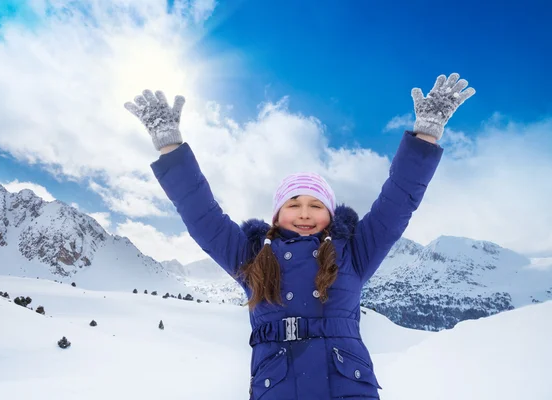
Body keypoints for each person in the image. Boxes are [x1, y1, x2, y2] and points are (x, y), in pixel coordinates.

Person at [125, 73, 475, 399]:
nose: (305, 213)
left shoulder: (354, 253)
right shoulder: (251, 258)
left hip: (347, 387)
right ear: (277, 215)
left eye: (316, 205)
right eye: (294, 204)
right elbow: (202, 215)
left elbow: (397, 203)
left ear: (331, 215)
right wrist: (170, 147)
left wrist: (426, 136)